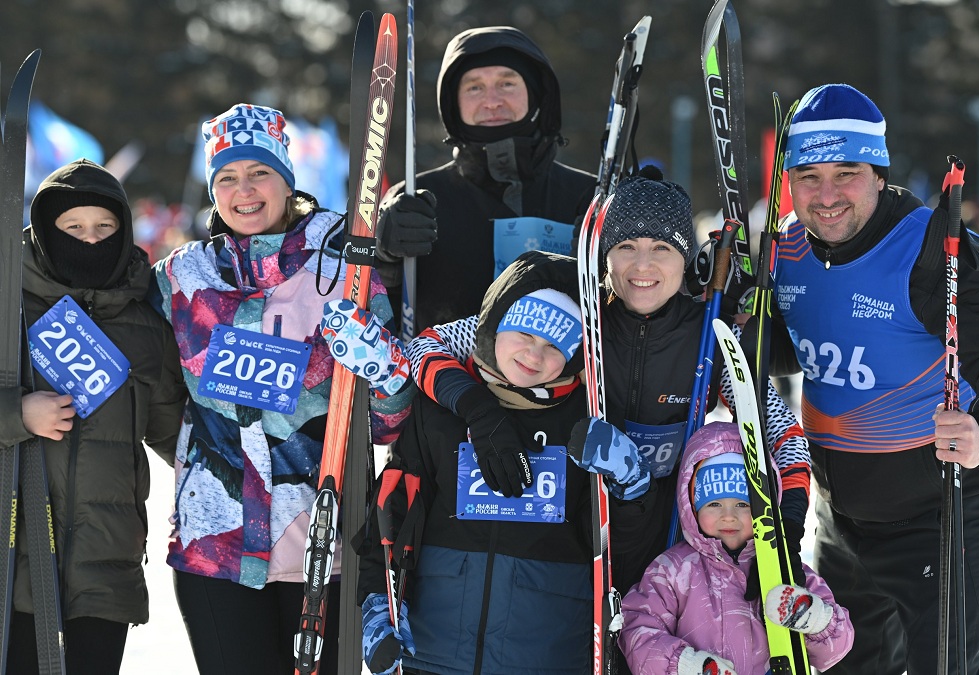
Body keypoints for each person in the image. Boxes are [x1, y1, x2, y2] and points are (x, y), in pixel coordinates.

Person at [404, 176, 812, 675]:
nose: (642, 266)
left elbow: (780, 431)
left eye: (661, 247)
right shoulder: (580, 316)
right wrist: (477, 409)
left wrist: (788, 523)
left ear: (686, 259)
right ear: (605, 256)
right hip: (586, 540)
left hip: (672, 550)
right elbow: (424, 346)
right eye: (626, 246)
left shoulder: (711, 337)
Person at [149, 103, 414, 674]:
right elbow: (149, 381)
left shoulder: (346, 268)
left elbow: (389, 422)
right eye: (226, 177)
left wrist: (385, 370)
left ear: (287, 180)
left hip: (322, 547)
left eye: (259, 172)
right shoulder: (180, 278)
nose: (243, 190)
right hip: (214, 551)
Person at [771, 82, 979, 674]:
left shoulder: (933, 248)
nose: (826, 196)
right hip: (839, 514)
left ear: (878, 173)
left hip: (938, 513)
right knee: (842, 664)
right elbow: (781, 349)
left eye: (846, 172)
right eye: (808, 176)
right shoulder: (786, 251)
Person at [354, 250, 638, 675]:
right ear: (492, 327)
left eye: (554, 345)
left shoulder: (588, 421)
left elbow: (616, 547)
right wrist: (377, 602)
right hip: (434, 651)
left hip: (544, 655)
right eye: (523, 333)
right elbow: (393, 508)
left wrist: (634, 488)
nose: (534, 355)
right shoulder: (442, 408)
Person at [0, 158, 187, 674]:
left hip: (104, 568)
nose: (90, 240)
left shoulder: (145, 324)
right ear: (44, 232)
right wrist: (16, 415)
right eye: (73, 228)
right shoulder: (7, 305)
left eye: (104, 227)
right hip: (13, 559)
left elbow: (180, 435)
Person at [374, 25, 596, 332]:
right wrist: (382, 254)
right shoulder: (414, 198)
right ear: (453, 103)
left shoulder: (588, 196)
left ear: (535, 92)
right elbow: (377, 316)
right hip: (439, 376)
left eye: (507, 83)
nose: (492, 101)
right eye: (474, 87)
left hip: (566, 379)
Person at [619, 421, 853, 675]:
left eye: (742, 504)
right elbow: (637, 630)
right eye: (714, 504)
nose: (728, 516)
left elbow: (835, 649)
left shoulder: (784, 567)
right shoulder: (672, 571)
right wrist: (684, 665)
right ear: (691, 506)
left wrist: (815, 619)